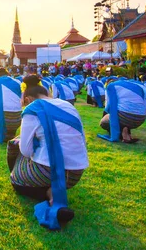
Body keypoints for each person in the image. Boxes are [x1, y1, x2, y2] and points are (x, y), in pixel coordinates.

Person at [7, 75, 88, 229]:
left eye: (24, 103)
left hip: (46, 171)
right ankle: (53, 195)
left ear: (29, 99)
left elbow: (25, 150)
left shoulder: (33, 108)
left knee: (16, 151)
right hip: (75, 173)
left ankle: (45, 191)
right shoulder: (68, 105)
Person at [0, 68, 22, 143]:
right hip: (17, 114)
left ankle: (4, 134)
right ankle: (11, 133)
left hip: (3, 114)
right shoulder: (17, 81)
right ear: (7, 73)